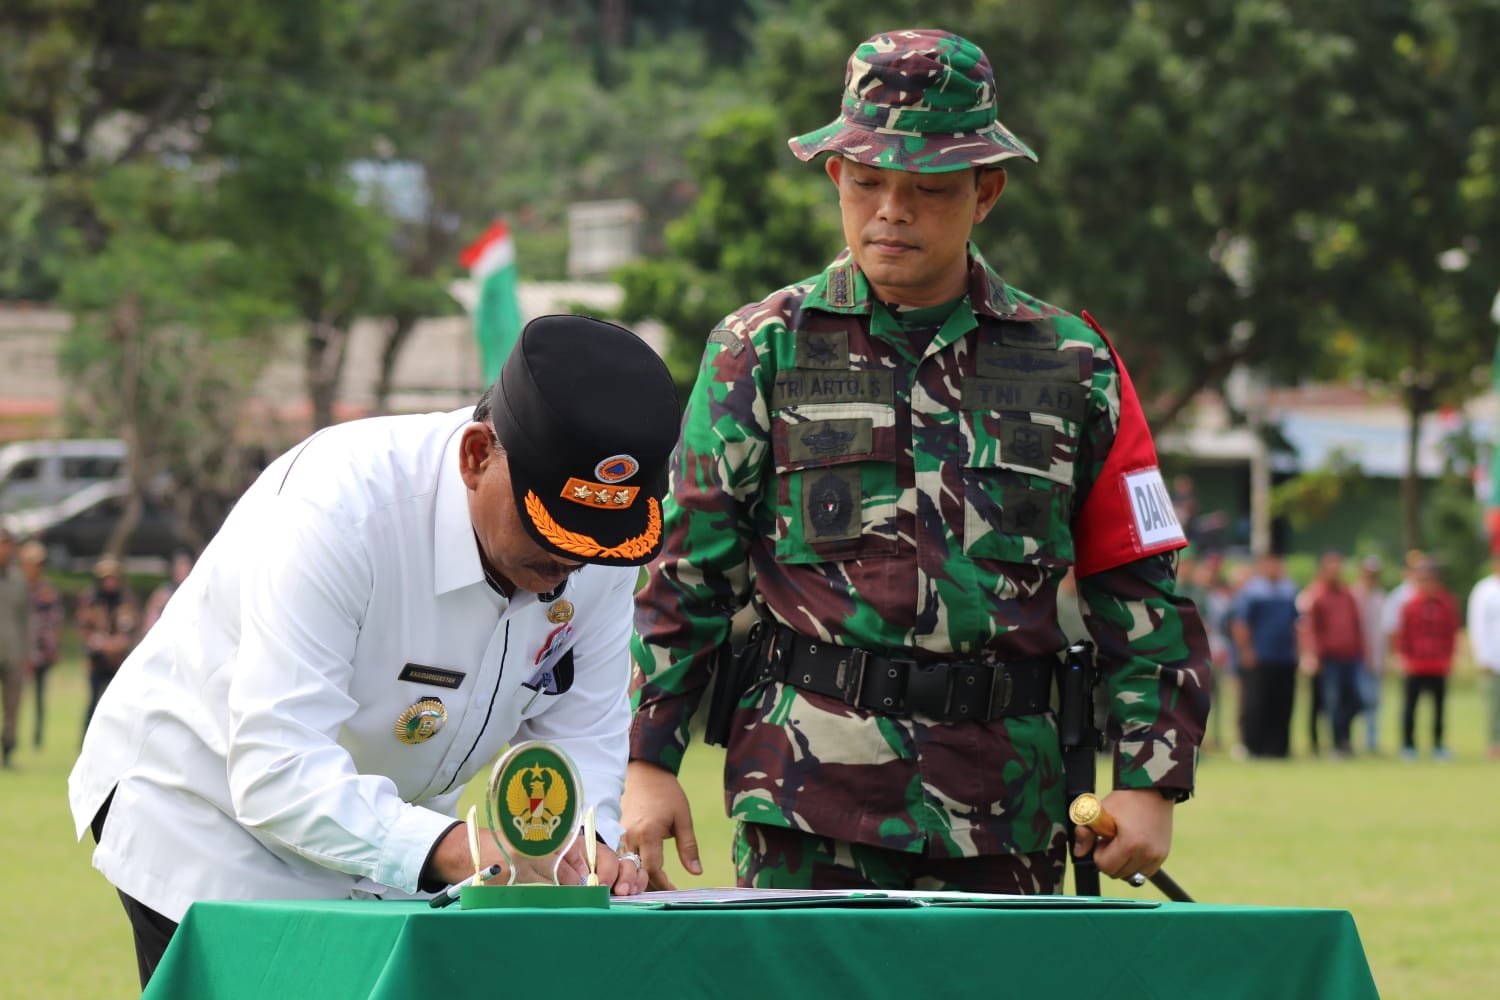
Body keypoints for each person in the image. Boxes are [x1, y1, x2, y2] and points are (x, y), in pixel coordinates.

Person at [622, 29, 1210, 896]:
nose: (891, 208)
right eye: (867, 181)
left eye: (929, 187)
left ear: (987, 192)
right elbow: (685, 572)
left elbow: (1140, 581)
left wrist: (1150, 776)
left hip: (1007, 805)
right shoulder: (762, 349)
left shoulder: (1074, 362)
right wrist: (646, 759)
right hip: (805, 798)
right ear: (835, 180)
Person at [69, 315, 677, 988]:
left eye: (597, 538)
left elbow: (581, 726)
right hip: (208, 815)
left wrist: (584, 845)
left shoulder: (599, 545)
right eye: (552, 526)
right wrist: (453, 848)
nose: (571, 559)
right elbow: (277, 764)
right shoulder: (341, 509)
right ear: (477, 456)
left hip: (394, 832)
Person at [1230, 553, 1300, 758]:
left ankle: (1279, 747)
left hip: (1285, 656)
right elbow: (1241, 624)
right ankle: (1254, 746)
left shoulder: (1289, 590)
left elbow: (1296, 623)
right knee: (1256, 703)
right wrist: (1246, 651)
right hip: (1260, 656)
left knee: (1283, 703)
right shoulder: (1252, 592)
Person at [1298, 551, 1365, 757]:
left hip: (1350, 656)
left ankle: (1343, 737)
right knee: (1332, 702)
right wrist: (1312, 655)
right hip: (1329, 658)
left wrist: (1361, 651)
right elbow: (1309, 629)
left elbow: (1356, 624)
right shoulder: (1315, 595)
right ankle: (1337, 744)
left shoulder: (1347, 595)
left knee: (1357, 700)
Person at [1394, 558, 1460, 760]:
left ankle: (1438, 745)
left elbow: (1451, 633)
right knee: (1410, 707)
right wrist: (1402, 658)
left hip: (1438, 664)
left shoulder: (1446, 603)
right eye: (1424, 579)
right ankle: (1408, 745)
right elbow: (1402, 635)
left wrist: (1450, 658)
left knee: (1439, 708)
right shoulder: (1410, 604)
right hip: (1415, 665)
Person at [76, 556, 140, 734]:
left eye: (113, 578)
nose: (109, 582)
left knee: (120, 703)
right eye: (105, 578)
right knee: (94, 702)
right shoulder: (91, 600)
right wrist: (100, 643)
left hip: (120, 661)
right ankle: (87, 739)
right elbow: (84, 629)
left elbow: (132, 629)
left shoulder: (126, 600)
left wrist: (118, 644)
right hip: (97, 660)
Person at [17, 540, 62, 750]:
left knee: (39, 697)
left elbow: (54, 621)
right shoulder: (15, 586)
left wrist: (52, 648)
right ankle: (11, 737)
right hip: (18, 651)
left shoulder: (47, 589)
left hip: (42, 652)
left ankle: (37, 737)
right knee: (13, 698)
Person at [0, 528, 30, 769]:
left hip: (13, 653)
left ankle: (8, 753)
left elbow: (26, 620)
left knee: (12, 708)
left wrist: (27, 654)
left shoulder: (18, 580)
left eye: (7, 545)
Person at [1351, 556, 1387, 754]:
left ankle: (1371, 741)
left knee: (1374, 701)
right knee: (1359, 699)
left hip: (1376, 658)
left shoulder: (1381, 597)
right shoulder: (1353, 597)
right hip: (1356, 658)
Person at [1467, 552, 1500, 761]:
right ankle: (1495, 744)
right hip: (1493, 658)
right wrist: (1481, 656)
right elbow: (1476, 624)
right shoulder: (1484, 589)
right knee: (1495, 705)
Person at [142, 549, 193, 633]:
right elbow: (151, 619)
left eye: (186, 566)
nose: (184, 570)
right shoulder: (164, 593)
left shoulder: (196, 591)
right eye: (180, 566)